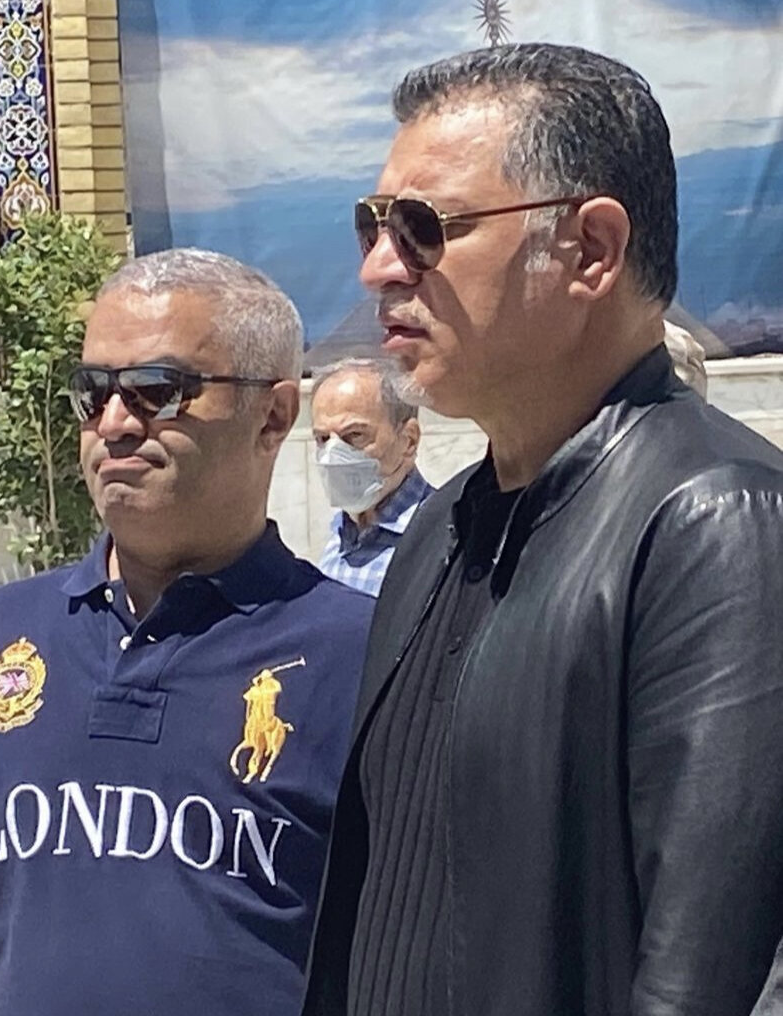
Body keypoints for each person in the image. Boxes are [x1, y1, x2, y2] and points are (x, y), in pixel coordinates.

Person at [302, 44, 783, 1016]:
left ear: (591, 249)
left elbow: (707, 975)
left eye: (424, 228)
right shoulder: (439, 529)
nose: (379, 267)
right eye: (372, 225)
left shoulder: (717, 522)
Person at [0, 249, 374, 1016]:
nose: (115, 424)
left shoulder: (362, 656)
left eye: (158, 390)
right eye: (93, 393)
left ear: (273, 415)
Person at [312, 358, 434, 595]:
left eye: (355, 435)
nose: (332, 456)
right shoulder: (339, 532)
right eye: (322, 439)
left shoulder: (441, 535)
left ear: (409, 439)